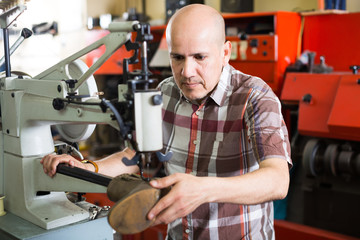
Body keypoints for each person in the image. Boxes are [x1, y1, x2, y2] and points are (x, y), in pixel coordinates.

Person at [41, 4, 291, 239]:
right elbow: (134, 156)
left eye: (199, 57)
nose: (187, 72)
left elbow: (278, 180)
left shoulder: (254, 97)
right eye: (178, 58)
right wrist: (87, 168)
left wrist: (203, 189)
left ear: (225, 53)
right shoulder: (165, 92)